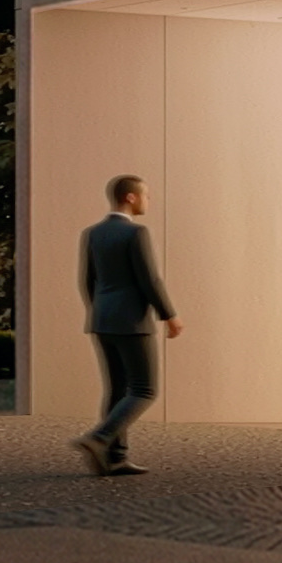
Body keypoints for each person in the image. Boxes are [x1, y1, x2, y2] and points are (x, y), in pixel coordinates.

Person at [74, 174, 179, 477]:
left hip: (102, 320)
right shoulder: (136, 233)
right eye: (145, 195)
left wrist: (98, 312)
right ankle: (99, 438)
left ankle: (114, 458)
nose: (148, 200)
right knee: (145, 389)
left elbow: (87, 281)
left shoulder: (92, 234)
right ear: (131, 197)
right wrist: (169, 315)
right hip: (132, 322)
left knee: (117, 389)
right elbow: (150, 279)